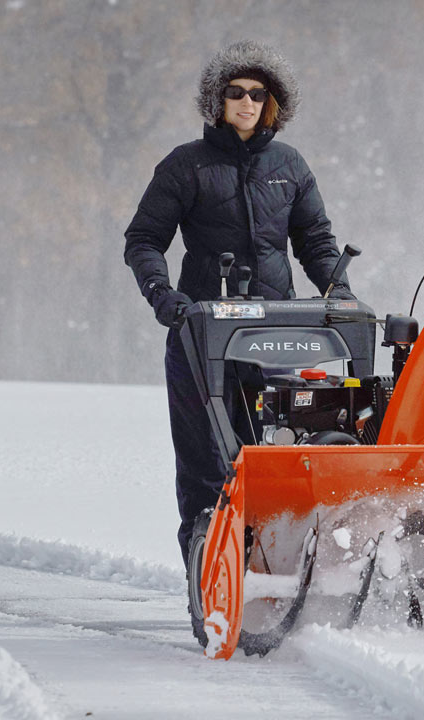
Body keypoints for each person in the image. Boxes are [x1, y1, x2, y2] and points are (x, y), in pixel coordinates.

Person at [123, 40, 355, 567]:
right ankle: (209, 578)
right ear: (217, 100)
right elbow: (143, 240)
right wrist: (164, 296)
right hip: (202, 334)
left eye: (258, 93)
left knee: (279, 447)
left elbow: (315, 239)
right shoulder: (187, 165)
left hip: (279, 336)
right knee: (207, 460)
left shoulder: (289, 165)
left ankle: (287, 565)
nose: (247, 102)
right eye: (235, 92)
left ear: (272, 101)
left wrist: (336, 289)